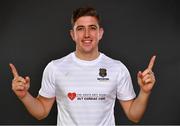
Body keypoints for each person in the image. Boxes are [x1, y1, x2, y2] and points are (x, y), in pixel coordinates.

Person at [9, 6, 156, 126]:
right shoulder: (55, 68)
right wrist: (24, 96)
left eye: (92, 28)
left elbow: (134, 115)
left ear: (100, 33)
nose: (86, 34)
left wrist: (144, 92)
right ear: (73, 34)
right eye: (80, 29)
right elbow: (41, 112)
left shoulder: (117, 68)